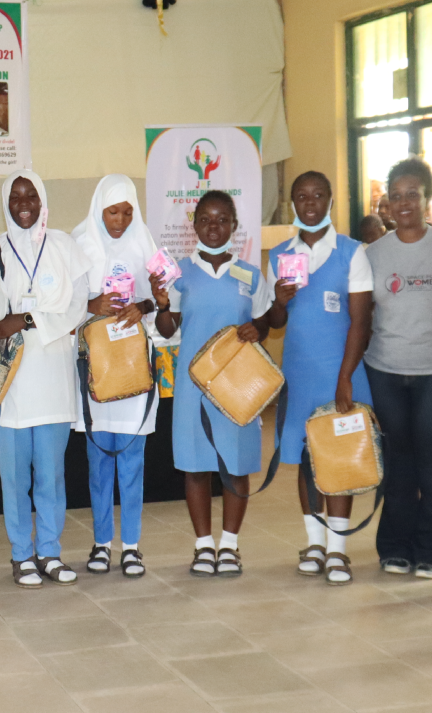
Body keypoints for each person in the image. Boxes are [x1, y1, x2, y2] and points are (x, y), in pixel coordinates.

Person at [0, 171, 88, 588]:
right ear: (5, 202)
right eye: (15, 195)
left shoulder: (65, 246)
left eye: (30, 194)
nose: (23, 202)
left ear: (42, 198)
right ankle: (22, 555)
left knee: (51, 474)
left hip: (53, 380)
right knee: (15, 477)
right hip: (9, 384)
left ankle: (50, 552)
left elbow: (77, 308)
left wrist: (29, 318)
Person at [152, 191, 273, 577]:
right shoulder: (179, 273)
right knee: (196, 466)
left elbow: (264, 321)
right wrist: (161, 303)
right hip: (193, 385)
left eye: (222, 220)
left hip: (237, 383)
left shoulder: (251, 275)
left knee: (236, 465)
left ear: (235, 225)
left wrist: (259, 329)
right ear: (194, 226)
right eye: (205, 220)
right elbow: (167, 328)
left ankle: (230, 545)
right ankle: (204, 546)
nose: (214, 227)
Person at [265, 171, 373, 585]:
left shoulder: (352, 253)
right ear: (293, 203)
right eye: (301, 196)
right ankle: (314, 541)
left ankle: (338, 550)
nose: (310, 203)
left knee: (338, 459)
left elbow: (360, 323)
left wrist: (345, 377)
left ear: (330, 200)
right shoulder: (279, 255)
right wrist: (279, 299)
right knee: (306, 459)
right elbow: (275, 322)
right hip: (299, 372)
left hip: (341, 371)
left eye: (318, 195)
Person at [365, 157, 432, 579]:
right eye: (396, 195)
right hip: (386, 368)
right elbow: (361, 316)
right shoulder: (372, 254)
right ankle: (395, 547)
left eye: (413, 193)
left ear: (427, 198)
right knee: (398, 459)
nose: (404, 202)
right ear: (386, 204)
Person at [71, 174, 160, 578]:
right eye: (113, 211)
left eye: (127, 211)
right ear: (98, 209)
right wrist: (93, 302)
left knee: (132, 461)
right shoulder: (79, 242)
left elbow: (164, 302)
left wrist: (143, 305)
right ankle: (101, 542)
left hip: (133, 368)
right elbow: (63, 303)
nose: (120, 219)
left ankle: (132, 546)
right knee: (98, 460)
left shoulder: (146, 242)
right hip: (96, 370)